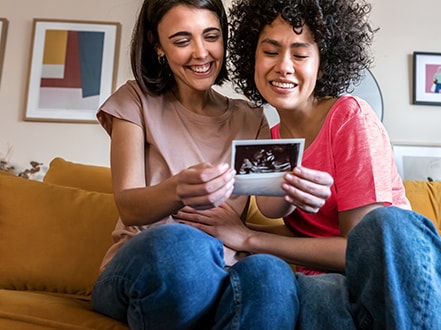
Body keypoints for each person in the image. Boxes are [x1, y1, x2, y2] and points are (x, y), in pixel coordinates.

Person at [183, 0, 441, 328]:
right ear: (252, 57)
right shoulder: (268, 140)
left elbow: (361, 250)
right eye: (271, 51)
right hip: (334, 286)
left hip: (409, 278)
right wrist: (231, 228)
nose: (284, 66)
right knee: (287, 286)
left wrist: (249, 238)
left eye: (300, 53)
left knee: (383, 225)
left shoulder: (350, 117)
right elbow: (286, 224)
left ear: (323, 63)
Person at [90, 0, 302, 328]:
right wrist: (178, 188)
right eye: (182, 40)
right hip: (143, 266)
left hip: (224, 270)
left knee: (270, 273)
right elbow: (129, 207)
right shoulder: (135, 100)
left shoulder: (251, 117)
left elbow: (270, 205)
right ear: (157, 45)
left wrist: (293, 187)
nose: (201, 53)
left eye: (211, 36)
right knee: (185, 245)